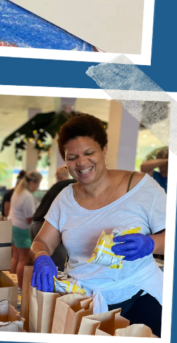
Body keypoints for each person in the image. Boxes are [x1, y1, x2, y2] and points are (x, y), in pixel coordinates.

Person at [31, 114, 167, 336]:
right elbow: (42, 241)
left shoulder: (142, 187)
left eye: (89, 153)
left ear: (103, 150)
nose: (82, 163)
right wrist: (41, 257)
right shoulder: (65, 197)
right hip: (85, 304)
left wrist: (150, 243)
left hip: (139, 297)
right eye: (72, 156)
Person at [31, 166, 76, 271]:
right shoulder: (72, 187)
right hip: (46, 224)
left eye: (59, 178)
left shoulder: (58, 186)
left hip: (35, 224)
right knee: (56, 263)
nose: (58, 180)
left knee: (41, 263)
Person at [9, 170, 43, 278]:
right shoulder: (27, 196)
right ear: (33, 182)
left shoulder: (18, 191)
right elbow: (29, 218)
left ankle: (13, 282)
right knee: (24, 259)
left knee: (15, 256)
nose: (37, 187)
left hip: (13, 226)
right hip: (22, 229)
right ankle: (20, 286)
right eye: (38, 184)